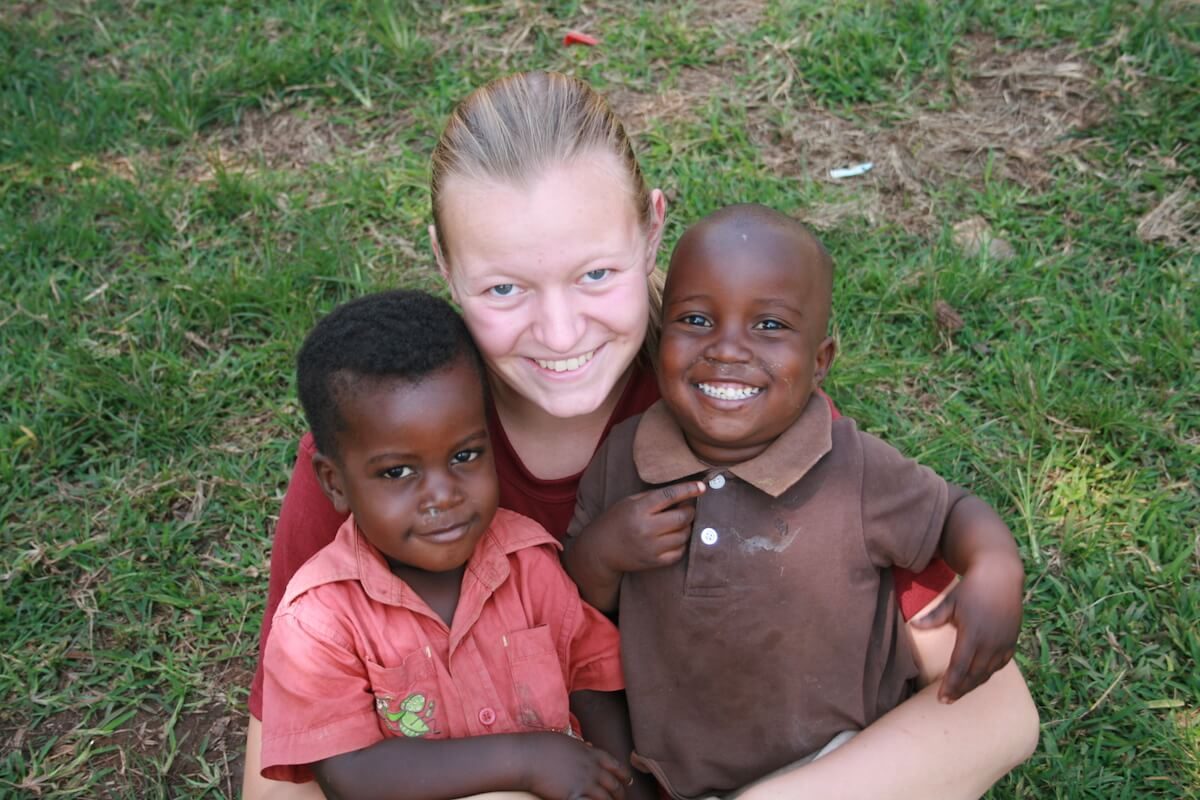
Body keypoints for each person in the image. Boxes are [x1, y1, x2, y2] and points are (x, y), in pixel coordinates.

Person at [242, 71, 1039, 800]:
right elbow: (281, 774)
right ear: (445, 267)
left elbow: (991, 709)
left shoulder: (726, 403)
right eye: (504, 287)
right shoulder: (382, 450)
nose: (559, 334)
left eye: (596, 274)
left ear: (652, 232)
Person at [562, 204, 1031, 799]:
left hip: (835, 761)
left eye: (770, 327)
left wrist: (995, 565)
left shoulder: (853, 467)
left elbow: (952, 513)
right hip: (671, 771)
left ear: (820, 362)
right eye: (697, 319)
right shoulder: (625, 456)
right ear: (660, 343)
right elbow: (579, 602)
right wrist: (604, 553)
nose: (727, 349)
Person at [261, 290, 655, 800]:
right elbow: (351, 773)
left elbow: (593, 688)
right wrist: (525, 760)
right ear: (334, 482)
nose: (443, 495)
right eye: (397, 471)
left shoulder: (529, 562)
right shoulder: (319, 624)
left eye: (465, 455)